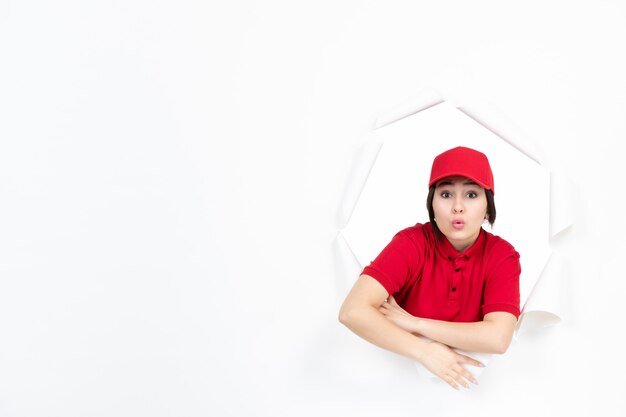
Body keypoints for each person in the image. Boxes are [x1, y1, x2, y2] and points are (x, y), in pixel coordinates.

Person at [338, 146, 520, 390]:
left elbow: (498, 338)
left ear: (488, 206)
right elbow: (352, 311)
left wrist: (416, 324)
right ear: (431, 203)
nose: (458, 207)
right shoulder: (412, 243)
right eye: (446, 194)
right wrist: (424, 352)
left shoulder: (502, 255)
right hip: (394, 382)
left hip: (473, 391)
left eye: (471, 194)